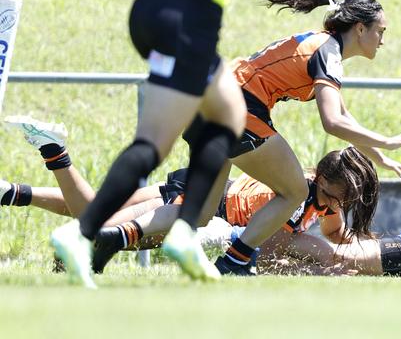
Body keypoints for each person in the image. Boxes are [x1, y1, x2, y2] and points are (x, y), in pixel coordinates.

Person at [50, 0, 283, 287]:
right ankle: (81, 231)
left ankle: (184, 230)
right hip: (189, 20)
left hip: (149, 10)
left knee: (229, 115)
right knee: (154, 143)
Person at [182, 0, 401, 276]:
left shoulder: (325, 46)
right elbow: (332, 123)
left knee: (203, 210)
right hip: (236, 106)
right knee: (294, 191)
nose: (383, 39)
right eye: (380, 31)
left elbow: (345, 118)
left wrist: (380, 157)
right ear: (360, 28)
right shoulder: (329, 54)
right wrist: (388, 140)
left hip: (217, 96)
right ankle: (235, 261)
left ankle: (116, 235)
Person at [2, 116, 379, 274]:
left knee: (92, 211)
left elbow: (333, 232)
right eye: (334, 196)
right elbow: (275, 245)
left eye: (343, 202)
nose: (336, 206)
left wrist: (357, 241)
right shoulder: (297, 198)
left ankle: (10, 192)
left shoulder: (315, 190)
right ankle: (53, 151)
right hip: (206, 202)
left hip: (207, 188)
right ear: (322, 178)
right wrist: (323, 261)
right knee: (92, 228)